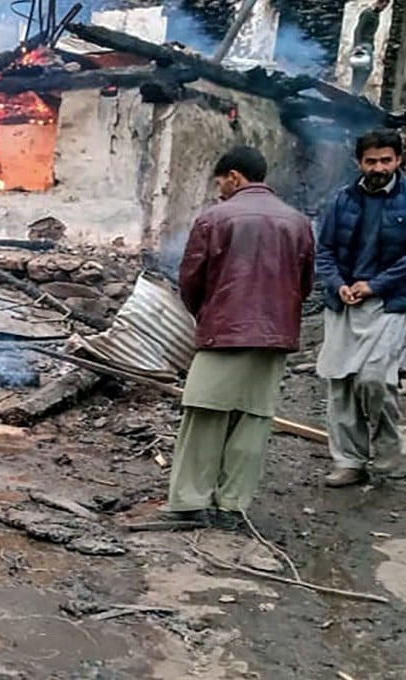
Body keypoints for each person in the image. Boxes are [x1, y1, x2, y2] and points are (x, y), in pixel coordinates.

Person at [162, 146, 315, 530]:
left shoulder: (215, 219)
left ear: (234, 177)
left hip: (225, 330)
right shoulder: (298, 222)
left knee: (204, 414)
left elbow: (191, 280)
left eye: (220, 183)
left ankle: (190, 502)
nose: (219, 191)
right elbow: (306, 282)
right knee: (254, 418)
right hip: (276, 335)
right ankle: (232, 507)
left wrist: (207, 315)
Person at [316, 129, 406, 488]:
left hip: (391, 302)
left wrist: (375, 285)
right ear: (359, 163)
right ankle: (349, 462)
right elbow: (324, 252)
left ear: (399, 160)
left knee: (373, 379)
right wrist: (338, 284)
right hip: (344, 302)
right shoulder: (342, 199)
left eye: (386, 160)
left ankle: (387, 449)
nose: (379, 167)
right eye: (371, 161)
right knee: (341, 384)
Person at [350, 0, 391, 95]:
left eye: (386, 6)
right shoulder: (368, 13)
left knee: (362, 68)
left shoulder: (376, 15)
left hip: (368, 44)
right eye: (383, 5)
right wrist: (357, 46)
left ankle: (355, 91)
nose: (384, 8)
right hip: (363, 44)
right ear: (379, 2)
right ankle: (355, 91)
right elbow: (358, 30)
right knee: (364, 68)